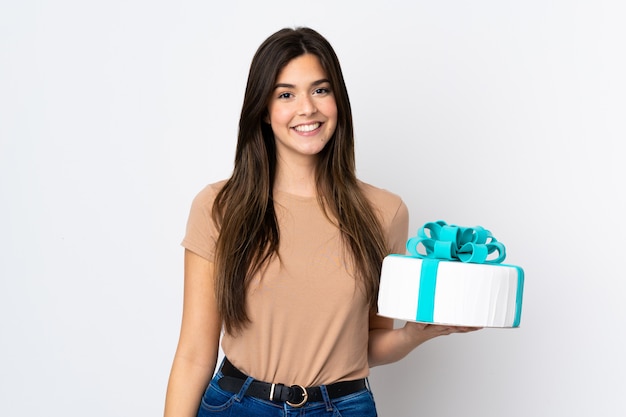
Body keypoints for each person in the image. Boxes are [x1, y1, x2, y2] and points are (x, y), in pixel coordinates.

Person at [164, 27, 478, 417]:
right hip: (239, 405)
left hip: (344, 407)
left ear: (338, 101)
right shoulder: (218, 206)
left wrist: (414, 335)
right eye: (286, 94)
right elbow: (195, 354)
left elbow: (368, 342)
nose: (307, 108)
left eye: (320, 90)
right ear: (263, 109)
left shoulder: (384, 212)